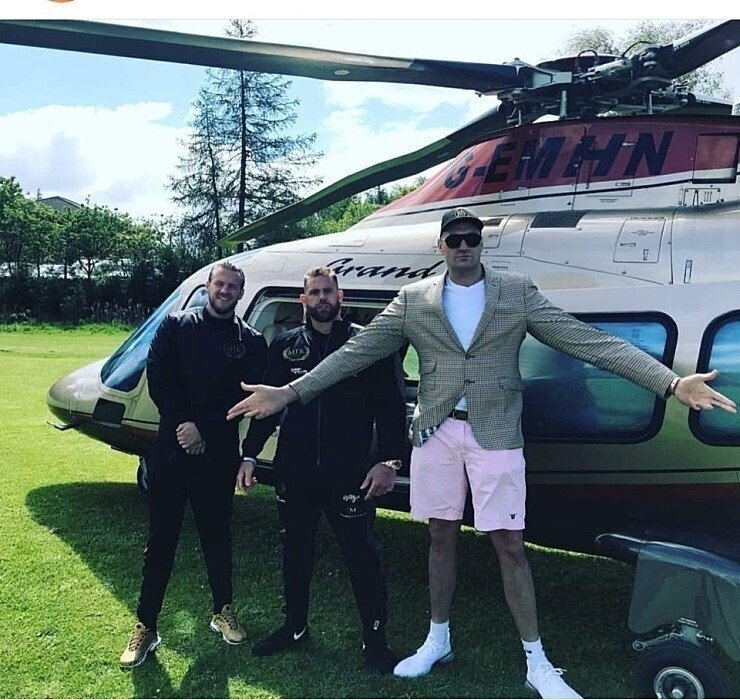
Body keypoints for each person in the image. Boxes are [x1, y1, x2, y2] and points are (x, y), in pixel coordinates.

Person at [226, 207, 736, 698]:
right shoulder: (414, 299)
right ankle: (437, 639)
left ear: (481, 243)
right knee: (440, 536)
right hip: (436, 434)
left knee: (510, 544)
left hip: (496, 434)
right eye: (455, 239)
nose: (463, 246)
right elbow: (355, 353)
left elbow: (587, 342)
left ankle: (537, 661)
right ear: (441, 246)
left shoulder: (516, 292)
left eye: (472, 238)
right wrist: (289, 392)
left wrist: (671, 383)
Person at [238, 266, 406, 673]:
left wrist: (389, 461)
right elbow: (267, 405)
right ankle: (294, 627)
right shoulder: (285, 345)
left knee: (362, 555)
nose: (321, 299)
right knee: (295, 551)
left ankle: (375, 639)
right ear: (303, 300)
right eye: (313, 293)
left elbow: (390, 407)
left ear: (340, 296)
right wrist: (249, 454)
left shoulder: (366, 345)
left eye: (328, 292)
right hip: (295, 469)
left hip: (349, 471)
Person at [120, 262, 267, 668]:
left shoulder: (251, 340)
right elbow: (158, 377)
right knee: (161, 541)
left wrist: (204, 429)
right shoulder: (175, 325)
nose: (225, 291)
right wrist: (185, 424)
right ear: (208, 286)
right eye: (219, 284)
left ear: (241, 293)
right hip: (171, 448)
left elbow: (247, 398)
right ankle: (146, 626)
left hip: (218, 453)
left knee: (217, 536)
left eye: (233, 286)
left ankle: (223, 611)